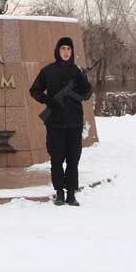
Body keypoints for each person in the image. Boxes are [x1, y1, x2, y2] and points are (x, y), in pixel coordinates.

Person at [29, 37, 93, 206]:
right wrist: (48, 100)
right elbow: (34, 90)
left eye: (69, 49)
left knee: (73, 159)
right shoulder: (47, 71)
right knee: (56, 159)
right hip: (55, 123)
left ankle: (71, 193)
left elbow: (85, 94)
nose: (66, 52)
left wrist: (84, 82)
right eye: (63, 48)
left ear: (72, 52)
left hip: (74, 123)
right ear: (58, 50)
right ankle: (59, 193)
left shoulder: (77, 71)